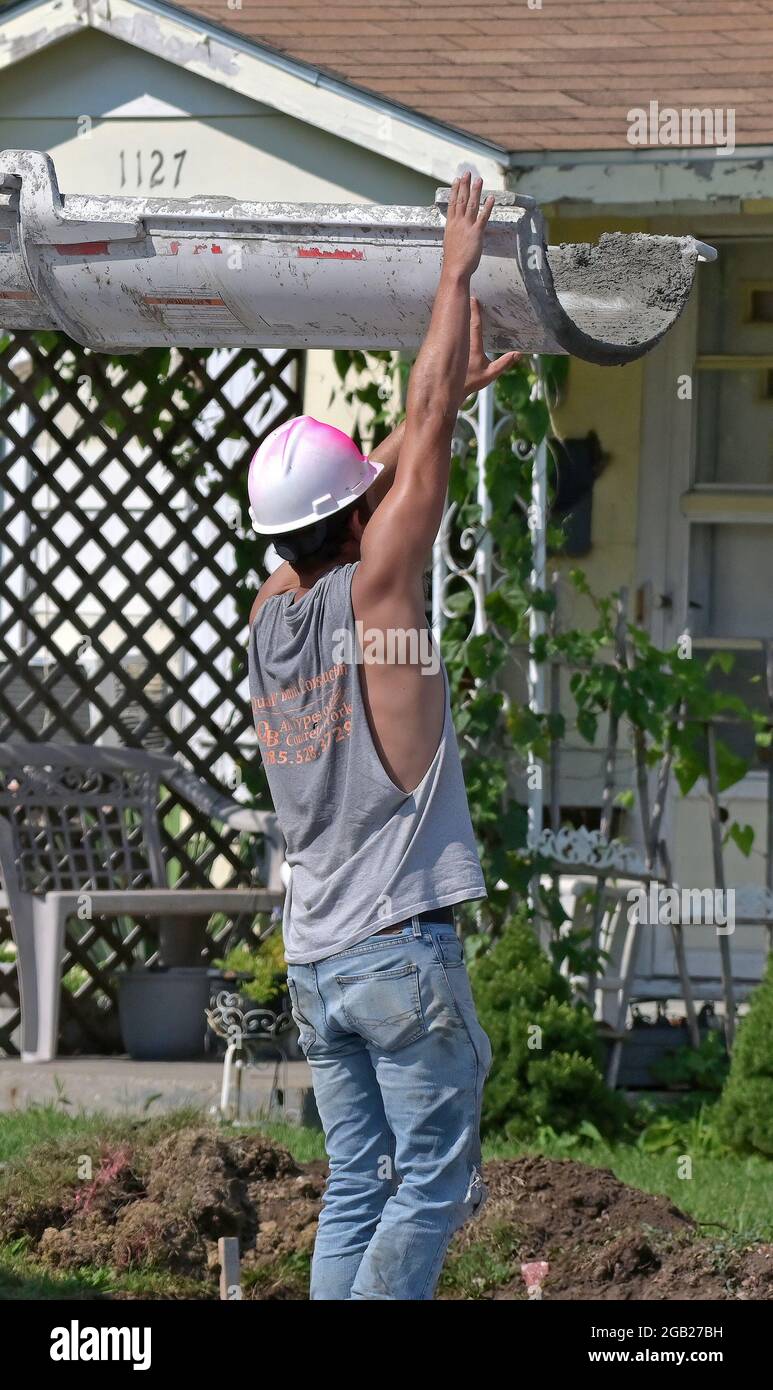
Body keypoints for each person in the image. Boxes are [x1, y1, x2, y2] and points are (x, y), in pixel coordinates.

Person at [247, 173, 519, 1300]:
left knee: (356, 1178)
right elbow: (406, 466)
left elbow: (380, 476)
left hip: (315, 957)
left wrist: (440, 399)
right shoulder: (382, 598)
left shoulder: (271, 615)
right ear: (361, 518)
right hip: (398, 951)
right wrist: (454, 275)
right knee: (432, 1185)